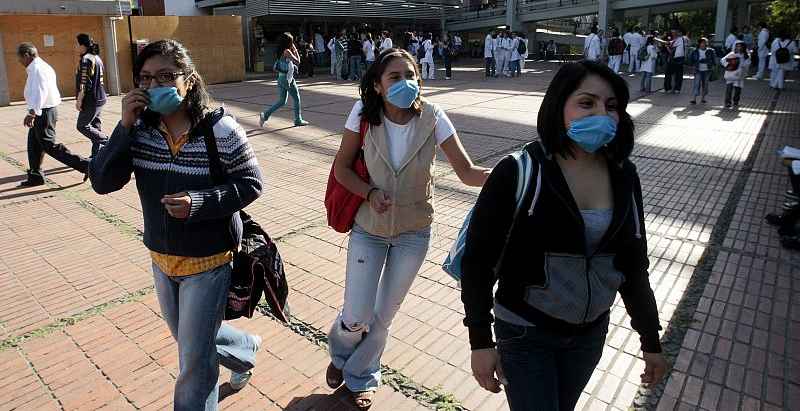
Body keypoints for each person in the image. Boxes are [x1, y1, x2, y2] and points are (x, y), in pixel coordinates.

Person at [460, 60, 666, 411]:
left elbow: (632, 263)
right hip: (525, 331)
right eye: (587, 103)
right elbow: (477, 260)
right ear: (559, 107)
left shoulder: (624, 175)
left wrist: (650, 338)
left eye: (612, 105)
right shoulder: (519, 170)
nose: (602, 113)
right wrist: (480, 341)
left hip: (590, 335)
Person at [89, 39, 263, 411]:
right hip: (162, 260)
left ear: (190, 82)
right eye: (146, 78)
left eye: (167, 76)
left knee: (194, 365)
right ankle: (244, 349)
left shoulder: (222, 129)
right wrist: (123, 125)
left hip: (209, 263)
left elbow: (251, 184)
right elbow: (102, 182)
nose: (155, 86)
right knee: (192, 343)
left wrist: (198, 203)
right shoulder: (140, 133)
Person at [325, 48, 488, 409]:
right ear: (380, 86)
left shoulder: (433, 117)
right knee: (357, 316)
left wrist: (513, 175)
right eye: (395, 77)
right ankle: (340, 354)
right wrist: (369, 193)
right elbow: (342, 170)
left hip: (415, 232)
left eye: (411, 75)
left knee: (383, 317)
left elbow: (467, 172)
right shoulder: (364, 115)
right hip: (369, 228)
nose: (406, 83)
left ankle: (361, 377)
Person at [17, 42, 90, 187]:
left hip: (43, 112)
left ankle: (86, 165)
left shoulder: (37, 68)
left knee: (49, 145)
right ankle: (35, 175)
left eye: (20, 58)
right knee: (33, 144)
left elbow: (40, 92)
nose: (19, 62)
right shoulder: (38, 67)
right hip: (43, 111)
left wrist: (32, 113)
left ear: (26, 55)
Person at [259, 32, 309, 127]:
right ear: (289, 42)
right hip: (287, 79)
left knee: (282, 101)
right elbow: (298, 61)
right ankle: (298, 120)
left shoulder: (280, 50)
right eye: (292, 41)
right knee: (296, 98)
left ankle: (265, 115)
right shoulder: (287, 51)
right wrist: (295, 50)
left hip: (280, 78)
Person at [75, 33, 108, 157]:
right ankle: (97, 155)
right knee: (95, 127)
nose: (76, 47)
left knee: (82, 126)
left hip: (92, 99)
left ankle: (109, 142)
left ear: (82, 46)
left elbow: (85, 82)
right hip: (100, 97)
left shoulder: (86, 59)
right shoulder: (97, 58)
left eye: (77, 44)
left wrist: (79, 100)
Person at [720, 40, 751, 108]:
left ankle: (736, 100)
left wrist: (740, 64)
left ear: (743, 47)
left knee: (738, 89)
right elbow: (722, 60)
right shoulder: (731, 54)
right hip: (731, 74)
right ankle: (728, 102)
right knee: (729, 88)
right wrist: (729, 65)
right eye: (736, 46)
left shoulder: (746, 56)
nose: (737, 48)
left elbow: (747, 64)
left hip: (740, 74)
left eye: (739, 46)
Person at [687, 37, 716, 105]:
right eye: (704, 43)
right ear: (699, 44)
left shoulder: (710, 51)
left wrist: (713, 66)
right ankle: (694, 99)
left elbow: (714, 60)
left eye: (706, 43)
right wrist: (693, 64)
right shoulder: (695, 51)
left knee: (705, 85)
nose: (705, 44)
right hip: (698, 70)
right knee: (697, 84)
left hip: (707, 70)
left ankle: (703, 98)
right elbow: (691, 60)